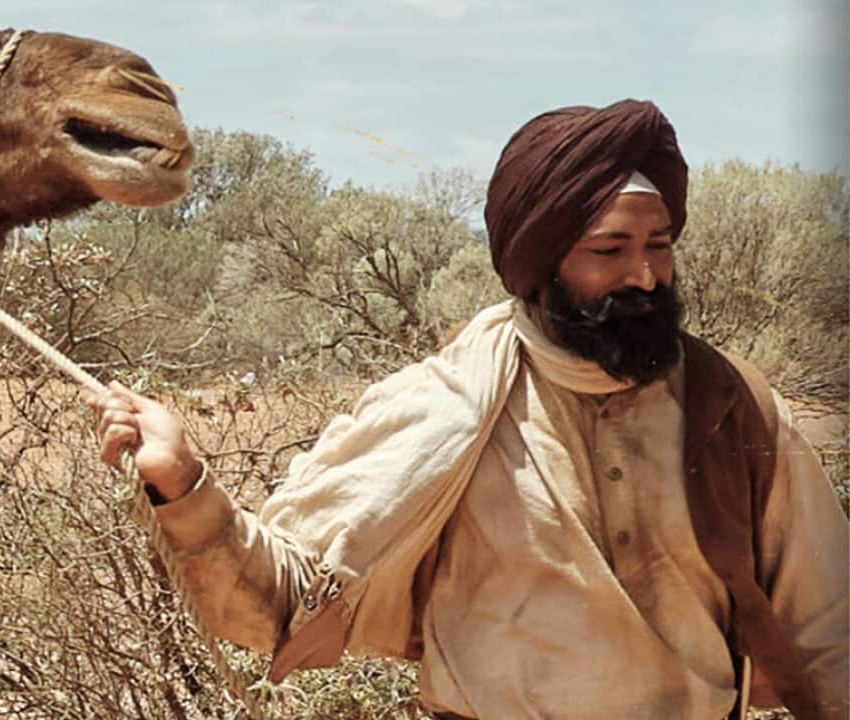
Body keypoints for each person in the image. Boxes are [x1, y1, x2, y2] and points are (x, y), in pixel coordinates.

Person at [90, 99, 849, 720]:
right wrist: (184, 488)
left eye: (660, 244)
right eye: (609, 250)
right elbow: (279, 604)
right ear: (540, 263)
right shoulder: (449, 406)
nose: (646, 276)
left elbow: (833, 629)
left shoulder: (733, 408)